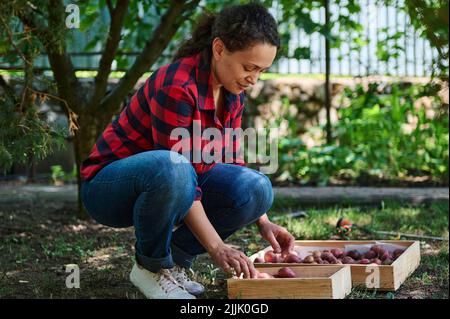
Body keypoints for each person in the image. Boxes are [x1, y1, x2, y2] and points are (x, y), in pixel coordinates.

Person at [80, 2, 295, 299]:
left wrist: (263, 219)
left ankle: (175, 264)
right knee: (175, 168)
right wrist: (217, 247)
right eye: (249, 67)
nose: (254, 79)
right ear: (219, 48)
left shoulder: (233, 92)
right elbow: (179, 171)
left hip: (175, 179)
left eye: (261, 71)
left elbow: (233, 162)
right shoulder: (177, 86)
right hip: (108, 189)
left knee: (256, 188)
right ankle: (150, 268)